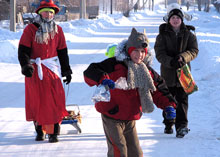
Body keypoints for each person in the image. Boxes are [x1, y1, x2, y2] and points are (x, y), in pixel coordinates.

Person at [84, 28, 177, 157]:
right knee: (119, 150)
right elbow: (90, 72)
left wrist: (168, 105)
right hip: (112, 115)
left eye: (142, 52)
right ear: (128, 50)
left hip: (130, 116)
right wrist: (103, 80)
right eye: (135, 51)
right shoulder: (115, 64)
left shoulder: (146, 71)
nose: (139, 55)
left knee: (136, 153)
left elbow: (158, 89)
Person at [18, 0, 72, 143]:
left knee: (54, 101)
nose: (48, 14)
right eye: (45, 11)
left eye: (51, 12)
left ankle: (53, 133)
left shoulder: (58, 30)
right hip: (35, 70)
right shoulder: (30, 30)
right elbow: (23, 50)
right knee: (37, 101)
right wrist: (25, 66)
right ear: (40, 13)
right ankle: (39, 130)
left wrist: (66, 70)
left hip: (52, 70)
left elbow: (62, 51)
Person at [154, 3, 199, 138]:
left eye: (177, 17)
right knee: (168, 100)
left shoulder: (189, 34)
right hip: (167, 74)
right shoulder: (162, 35)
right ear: (168, 19)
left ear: (182, 19)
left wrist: (183, 57)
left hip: (184, 73)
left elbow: (194, 51)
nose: (175, 20)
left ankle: (182, 126)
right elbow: (159, 53)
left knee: (182, 101)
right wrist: (170, 61)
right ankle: (169, 123)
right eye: (172, 17)